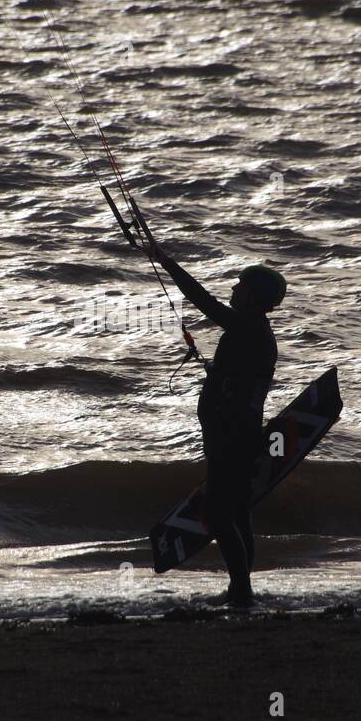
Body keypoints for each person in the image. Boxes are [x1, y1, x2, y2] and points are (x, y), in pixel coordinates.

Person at [146, 241, 285, 606]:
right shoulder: (254, 332)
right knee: (237, 512)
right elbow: (239, 379)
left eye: (240, 287)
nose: (234, 290)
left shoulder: (249, 328)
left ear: (254, 298)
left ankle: (241, 590)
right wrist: (217, 373)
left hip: (233, 436)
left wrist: (166, 261)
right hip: (238, 433)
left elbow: (202, 300)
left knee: (221, 514)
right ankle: (241, 589)